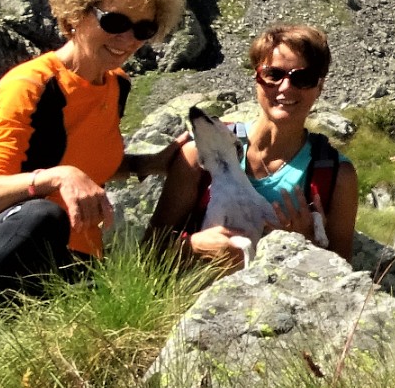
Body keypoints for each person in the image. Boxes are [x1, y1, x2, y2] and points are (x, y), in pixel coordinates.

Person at [0, 0, 188, 305]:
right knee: (42, 216)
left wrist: (149, 163)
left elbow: (86, 159)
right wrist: (57, 177)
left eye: (144, 29)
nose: (128, 39)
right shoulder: (31, 85)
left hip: (76, 257)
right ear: (74, 15)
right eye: (115, 21)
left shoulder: (116, 85)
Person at [145, 24, 359, 267]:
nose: (286, 87)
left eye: (303, 78)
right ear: (256, 77)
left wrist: (307, 243)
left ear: (319, 87)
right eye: (273, 75)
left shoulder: (337, 176)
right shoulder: (201, 154)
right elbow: (150, 252)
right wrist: (192, 247)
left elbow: (343, 271)